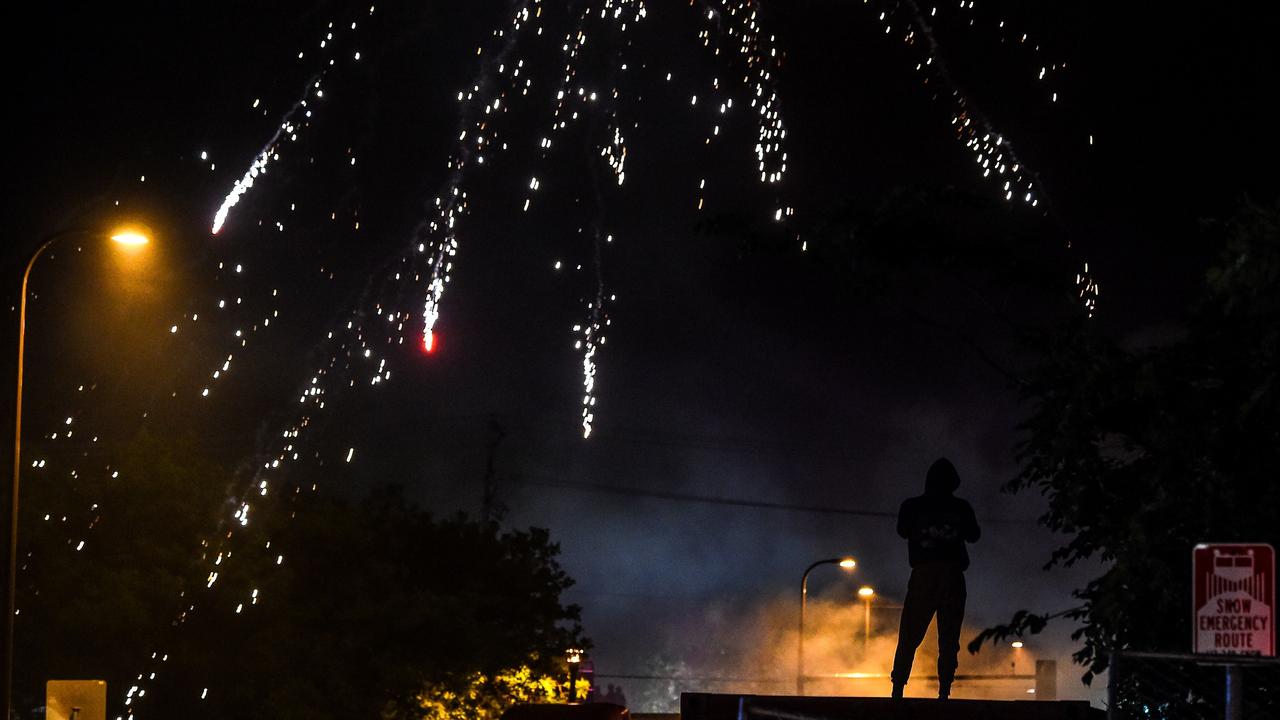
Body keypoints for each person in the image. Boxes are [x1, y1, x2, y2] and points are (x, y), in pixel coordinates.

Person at [890, 457, 981, 700]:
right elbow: (974, 535)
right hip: (951, 573)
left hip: (924, 572)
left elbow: (901, 531)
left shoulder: (912, 506)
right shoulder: (961, 507)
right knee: (949, 636)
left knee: (909, 633)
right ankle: (944, 692)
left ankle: (898, 688)